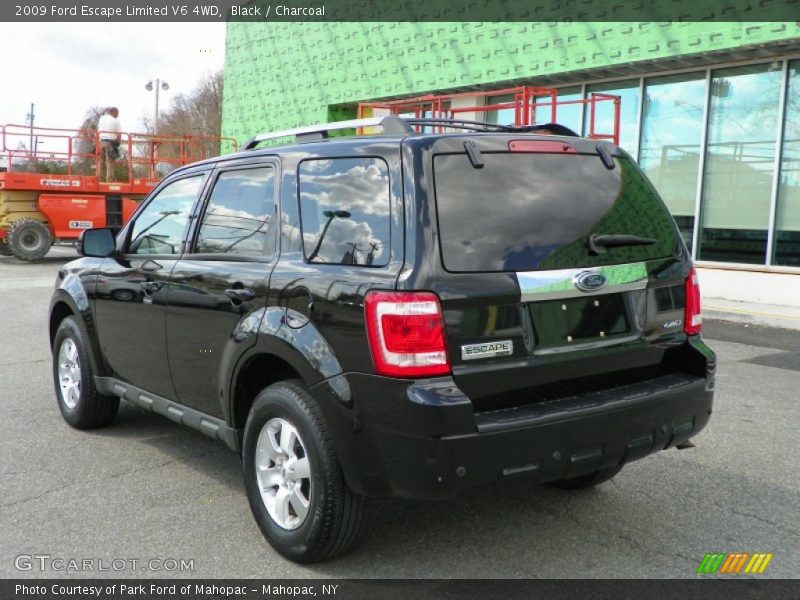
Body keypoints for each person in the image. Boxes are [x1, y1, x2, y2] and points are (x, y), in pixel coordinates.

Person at [97, 107, 122, 182]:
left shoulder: (102, 118)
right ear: (114, 112)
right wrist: (117, 143)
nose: (117, 116)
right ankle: (109, 180)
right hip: (110, 143)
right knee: (110, 162)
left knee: (101, 162)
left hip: (101, 142)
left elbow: (98, 129)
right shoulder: (115, 121)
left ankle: (100, 179)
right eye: (117, 114)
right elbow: (119, 134)